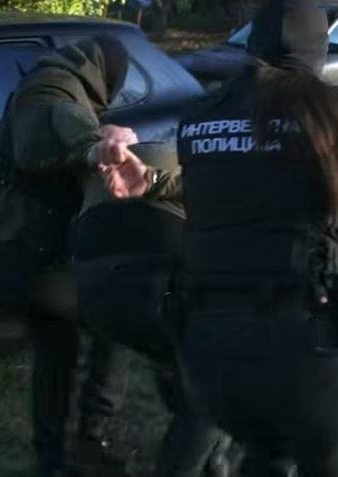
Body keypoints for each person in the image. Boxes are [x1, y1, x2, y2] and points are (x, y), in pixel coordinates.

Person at [103, 0, 338, 475]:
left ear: (251, 45)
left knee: (266, 455)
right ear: (319, 50)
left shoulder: (200, 116)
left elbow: (230, 192)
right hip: (303, 342)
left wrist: (156, 182)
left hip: (207, 349)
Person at [0, 36, 137, 475]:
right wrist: (97, 143)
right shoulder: (52, 86)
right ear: (106, 73)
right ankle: (90, 437)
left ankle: (53, 455)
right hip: (30, 252)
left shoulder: (54, 79)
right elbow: (53, 125)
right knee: (115, 321)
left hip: (20, 248)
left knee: (56, 350)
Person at [75, 142, 230, 476]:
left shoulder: (105, 150)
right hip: (157, 274)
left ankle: (88, 438)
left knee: (176, 362)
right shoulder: (203, 158)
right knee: (212, 389)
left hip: (92, 279)